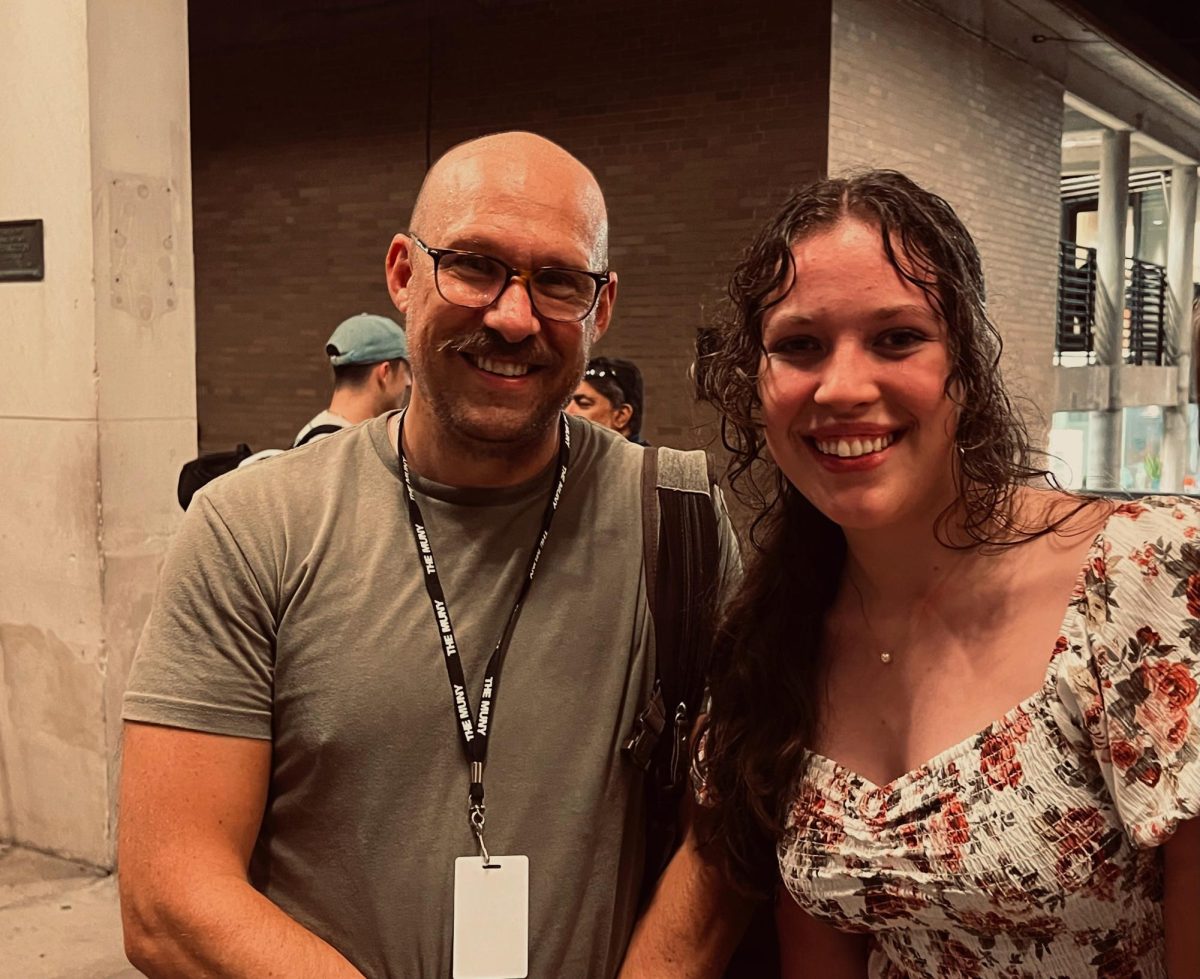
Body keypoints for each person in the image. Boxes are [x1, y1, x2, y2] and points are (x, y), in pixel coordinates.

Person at [118, 131, 738, 979]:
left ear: (601, 308)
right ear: (404, 272)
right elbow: (169, 894)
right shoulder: (253, 528)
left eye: (558, 280)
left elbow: (722, 843)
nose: (513, 317)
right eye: (474, 264)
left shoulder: (681, 523)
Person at [622, 171, 1200, 977]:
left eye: (897, 338)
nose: (845, 386)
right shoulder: (776, 640)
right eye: (800, 345)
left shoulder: (1140, 576)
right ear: (755, 388)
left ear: (964, 368)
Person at [293, 312, 411, 446]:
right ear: (385, 372)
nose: (409, 382)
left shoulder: (314, 438)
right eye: (406, 371)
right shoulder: (342, 450)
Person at [569, 356, 649, 444]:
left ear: (621, 416)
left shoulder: (648, 457)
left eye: (584, 403)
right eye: (566, 403)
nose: (567, 411)